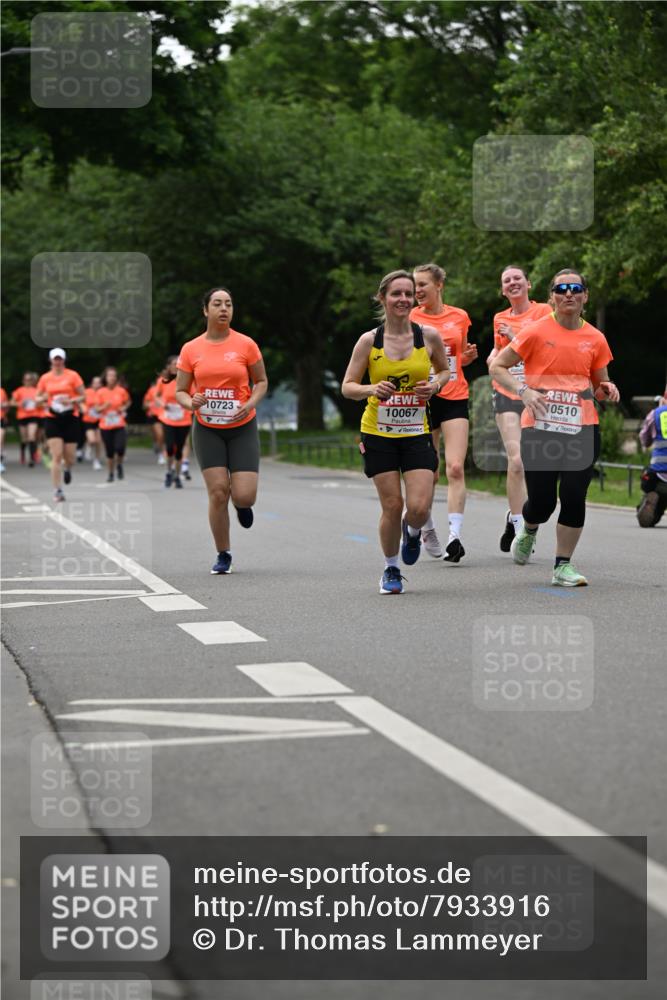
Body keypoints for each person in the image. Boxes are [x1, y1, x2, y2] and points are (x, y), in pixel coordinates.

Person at [489, 269, 619, 586]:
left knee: (574, 496)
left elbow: (599, 382)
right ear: (553, 296)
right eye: (562, 289)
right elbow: (498, 366)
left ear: (585, 295)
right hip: (540, 427)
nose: (569, 294)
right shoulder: (535, 331)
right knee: (544, 502)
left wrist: (607, 390)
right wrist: (523, 391)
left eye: (575, 288)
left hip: (582, 427)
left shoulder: (595, 338)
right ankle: (529, 528)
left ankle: (562, 565)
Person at [342, 269, 450, 594]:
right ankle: (391, 568)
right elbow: (348, 387)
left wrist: (434, 386)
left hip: (417, 430)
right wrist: (372, 389)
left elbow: (445, 371)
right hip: (379, 433)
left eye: (408, 294)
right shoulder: (369, 340)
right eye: (396, 294)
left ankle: (412, 530)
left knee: (418, 507)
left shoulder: (428, 337)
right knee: (392, 504)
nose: (403, 299)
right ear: (383, 299)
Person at [171, 287, 268, 573]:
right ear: (206, 310)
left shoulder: (246, 345)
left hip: (242, 426)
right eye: (217, 304)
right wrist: (192, 402)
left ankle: (242, 505)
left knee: (244, 495)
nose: (224, 308)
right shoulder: (191, 349)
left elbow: (261, 381)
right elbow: (180, 391)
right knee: (217, 492)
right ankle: (223, 552)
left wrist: (250, 402)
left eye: (228, 303)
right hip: (207, 428)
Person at [411, 263, 478, 563]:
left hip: (454, 395)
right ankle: (426, 528)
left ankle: (455, 537)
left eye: (423, 284)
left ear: (439, 285)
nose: (417, 290)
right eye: (415, 285)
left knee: (454, 468)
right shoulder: (410, 317)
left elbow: (456, 356)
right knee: (429, 473)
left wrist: (465, 357)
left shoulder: (459, 316)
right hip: (422, 399)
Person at [486, 266, 551, 552]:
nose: (512, 283)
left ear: (528, 284)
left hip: (538, 395)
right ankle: (517, 524)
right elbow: (500, 355)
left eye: (517, 279)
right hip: (509, 392)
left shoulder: (543, 312)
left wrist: (514, 336)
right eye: (506, 281)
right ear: (503, 290)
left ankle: (524, 515)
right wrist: (492, 357)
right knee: (517, 461)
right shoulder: (499, 317)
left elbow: (547, 348)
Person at [35, 348, 85, 502]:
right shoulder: (45, 378)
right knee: (56, 456)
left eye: (60, 359)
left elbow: (83, 396)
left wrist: (70, 401)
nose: (57, 362)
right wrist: (43, 397)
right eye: (55, 359)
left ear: (64, 360)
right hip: (53, 418)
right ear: (50, 360)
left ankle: (68, 468)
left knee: (69, 457)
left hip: (70, 418)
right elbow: (37, 398)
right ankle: (58, 490)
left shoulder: (73, 375)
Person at [156, 357, 193, 489]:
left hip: (183, 419)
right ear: (169, 366)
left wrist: (188, 405)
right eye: (173, 364)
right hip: (168, 418)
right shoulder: (163, 381)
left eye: (178, 364)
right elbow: (157, 396)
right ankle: (168, 472)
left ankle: (177, 476)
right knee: (170, 447)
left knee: (179, 449)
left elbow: (193, 396)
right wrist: (163, 404)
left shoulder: (188, 380)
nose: (176, 366)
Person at [637, 387, 667, 527]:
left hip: (657, 474)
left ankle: (651, 500)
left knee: (651, 485)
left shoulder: (655, 414)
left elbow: (644, 439)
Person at [95, 367, 131, 482]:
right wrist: (104, 406)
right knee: (110, 452)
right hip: (105, 425)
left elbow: (128, 402)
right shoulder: (100, 392)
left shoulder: (121, 391)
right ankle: (110, 473)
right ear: (105, 378)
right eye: (110, 375)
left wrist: (124, 407)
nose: (112, 378)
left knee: (120, 448)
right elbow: (96, 409)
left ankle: (119, 465)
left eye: (114, 376)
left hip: (119, 424)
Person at [10, 372, 41, 467]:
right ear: (23, 381)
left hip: (33, 416)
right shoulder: (19, 391)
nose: (28, 381)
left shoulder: (37, 391)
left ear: (32, 381)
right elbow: (11, 402)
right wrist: (20, 404)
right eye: (26, 380)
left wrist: (37, 404)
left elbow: (42, 402)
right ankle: (23, 452)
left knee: (31, 436)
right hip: (22, 416)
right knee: (24, 439)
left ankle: (32, 458)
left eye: (30, 380)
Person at [82, 375, 103, 470]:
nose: (97, 384)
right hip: (88, 419)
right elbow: (80, 401)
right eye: (95, 382)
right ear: (92, 383)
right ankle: (88, 447)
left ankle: (96, 460)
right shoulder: (87, 392)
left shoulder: (103, 392)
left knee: (98, 441)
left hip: (100, 420)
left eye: (99, 382)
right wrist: (83, 408)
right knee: (92, 440)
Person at [143, 380, 166, 464]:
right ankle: (161, 453)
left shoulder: (171, 387)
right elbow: (145, 404)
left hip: (167, 415)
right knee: (159, 435)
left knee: (166, 435)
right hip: (155, 416)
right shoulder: (152, 390)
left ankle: (165, 450)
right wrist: (149, 405)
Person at [0, 386, 8, 472]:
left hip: (1, 418)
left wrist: (5, 405)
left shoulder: (2, 391)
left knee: (0, 439)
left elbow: (6, 404)